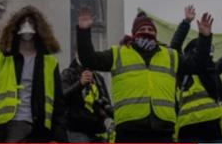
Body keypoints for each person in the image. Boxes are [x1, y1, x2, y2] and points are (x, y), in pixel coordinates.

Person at [77, 8, 214, 143]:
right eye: (142, 30)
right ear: (133, 34)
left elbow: (198, 64)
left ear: (156, 33)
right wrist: (83, 31)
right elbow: (89, 59)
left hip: (163, 130)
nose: (147, 32)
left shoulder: (170, 55)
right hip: (129, 130)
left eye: (150, 30)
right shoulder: (118, 53)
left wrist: (205, 38)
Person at [0, 5, 67, 143]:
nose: (27, 27)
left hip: (40, 128)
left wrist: (57, 137)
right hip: (9, 125)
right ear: (15, 28)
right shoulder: (2, 59)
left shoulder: (50, 62)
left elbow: (58, 104)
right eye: (23, 22)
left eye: (31, 22)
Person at [170, 5, 222, 143]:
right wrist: (186, 22)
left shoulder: (211, 69)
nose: (207, 53)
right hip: (188, 128)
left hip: (212, 126)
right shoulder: (182, 69)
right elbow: (174, 48)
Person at [61, 58, 112, 143]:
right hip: (77, 130)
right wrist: (80, 84)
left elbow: (106, 101)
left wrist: (105, 111)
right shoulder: (68, 73)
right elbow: (62, 97)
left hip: (98, 131)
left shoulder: (98, 78)